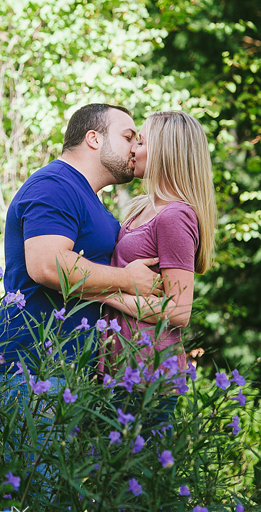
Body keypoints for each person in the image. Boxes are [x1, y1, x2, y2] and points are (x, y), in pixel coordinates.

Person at [0, 103, 163, 373]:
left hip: (72, 368)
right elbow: (48, 265)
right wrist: (128, 280)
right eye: (128, 137)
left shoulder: (88, 198)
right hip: (33, 368)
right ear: (94, 138)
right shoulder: (54, 185)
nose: (135, 148)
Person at [96, 110, 216, 381]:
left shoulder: (175, 216)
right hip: (119, 362)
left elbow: (179, 311)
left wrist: (102, 293)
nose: (133, 149)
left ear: (164, 152)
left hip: (148, 370)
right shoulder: (142, 208)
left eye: (141, 142)